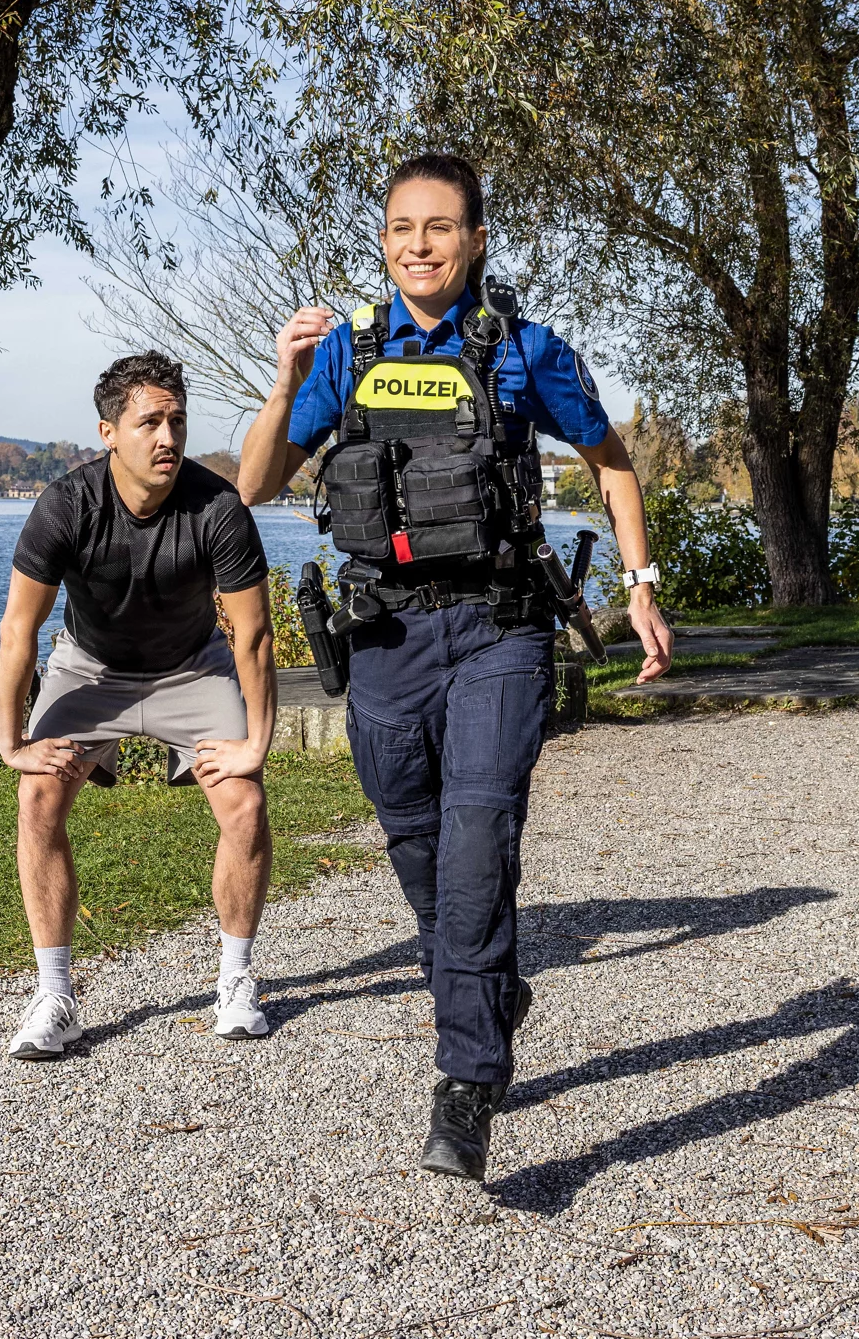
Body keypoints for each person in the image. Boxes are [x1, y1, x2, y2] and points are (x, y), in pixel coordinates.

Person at [236, 153, 676, 1184]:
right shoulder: (347, 354)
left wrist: (642, 583)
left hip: (498, 630)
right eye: (401, 228)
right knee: (416, 840)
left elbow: (611, 462)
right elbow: (254, 481)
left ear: (477, 240)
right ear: (383, 240)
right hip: (383, 635)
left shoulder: (523, 351)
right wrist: (286, 379)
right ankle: (488, 989)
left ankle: (467, 1080)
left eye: (440, 228)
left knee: (481, 833)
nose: (418, 245)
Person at [0, 351, 278, 1060]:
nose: (167, 436)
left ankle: (236, 981)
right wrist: (11, 742)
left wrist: (256, 744)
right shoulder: (66, 505)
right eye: (149, 421)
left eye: (177, 419)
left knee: (243, 802)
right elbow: (19, 631)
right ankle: (55, 995)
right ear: (108, 432)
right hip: (92, 668)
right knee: (37, 798)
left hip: (192, 667)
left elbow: (254, 633)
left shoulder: (217, 508)